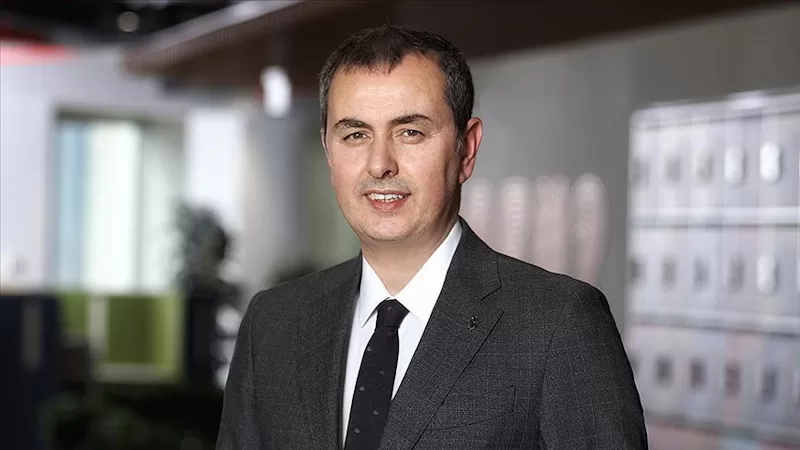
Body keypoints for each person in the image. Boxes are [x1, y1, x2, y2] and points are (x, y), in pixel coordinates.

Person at [216, 25, 647, 450]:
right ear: (329, 151)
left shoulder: (556, 325)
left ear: (467, 149)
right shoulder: (273, 324)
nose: (379, 164)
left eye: (410, 132)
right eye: (355, 135)